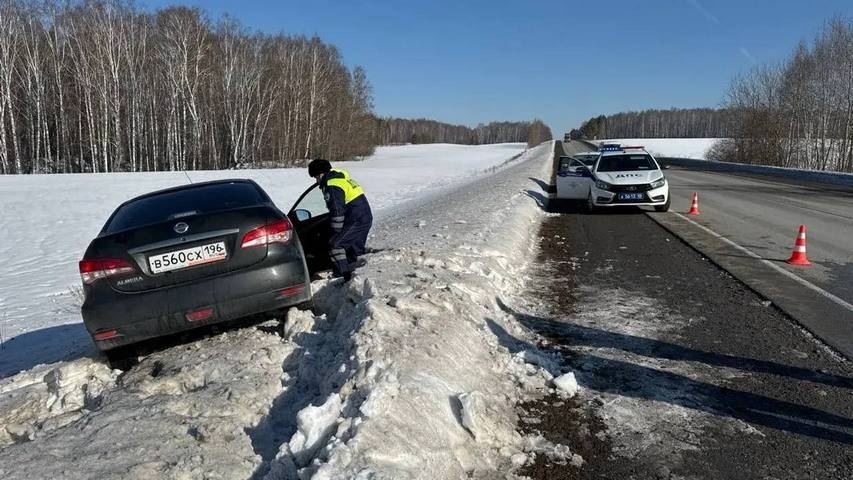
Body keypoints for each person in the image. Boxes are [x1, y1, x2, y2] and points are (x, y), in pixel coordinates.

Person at [307, 159, 373, 282]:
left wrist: (335, 231)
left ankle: (343, 277)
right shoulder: (340, 178)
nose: (317, 181)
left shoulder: (332, 185)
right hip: (363, 217)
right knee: (354, 251)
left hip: (356, 219)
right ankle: (355, 278)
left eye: (316, 177)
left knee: (335, 245)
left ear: (321, 173)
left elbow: (337, 211)